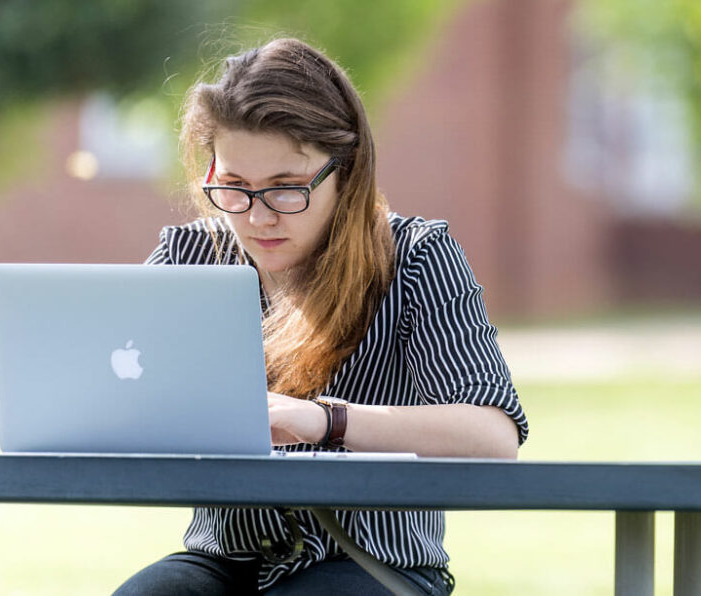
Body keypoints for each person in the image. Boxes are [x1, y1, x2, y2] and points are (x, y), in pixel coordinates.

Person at [113, 38, 528, 595]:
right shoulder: (189, 258)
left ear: (346, 171)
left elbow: (491, 435)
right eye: (234, 188)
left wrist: (327, 421)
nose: (258, 217)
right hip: (225, 560)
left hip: (374, 566)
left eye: (286, 189)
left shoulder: (418, 257)